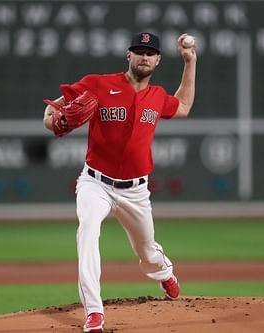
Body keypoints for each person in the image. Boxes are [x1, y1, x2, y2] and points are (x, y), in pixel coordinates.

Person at [43, 32, 196, 332]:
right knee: (87, 230)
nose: (144, 57)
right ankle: (94, 312)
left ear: (157, 60)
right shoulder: (97, 84)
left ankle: (163, 271)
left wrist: (190, 62)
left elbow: (184, 106)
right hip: (94, 183)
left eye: (149, 53)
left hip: (136, 191)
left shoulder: (157, 96)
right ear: (128, 55)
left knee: (147, 252)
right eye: (138, 51)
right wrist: (53, 121)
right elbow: (51, 113)